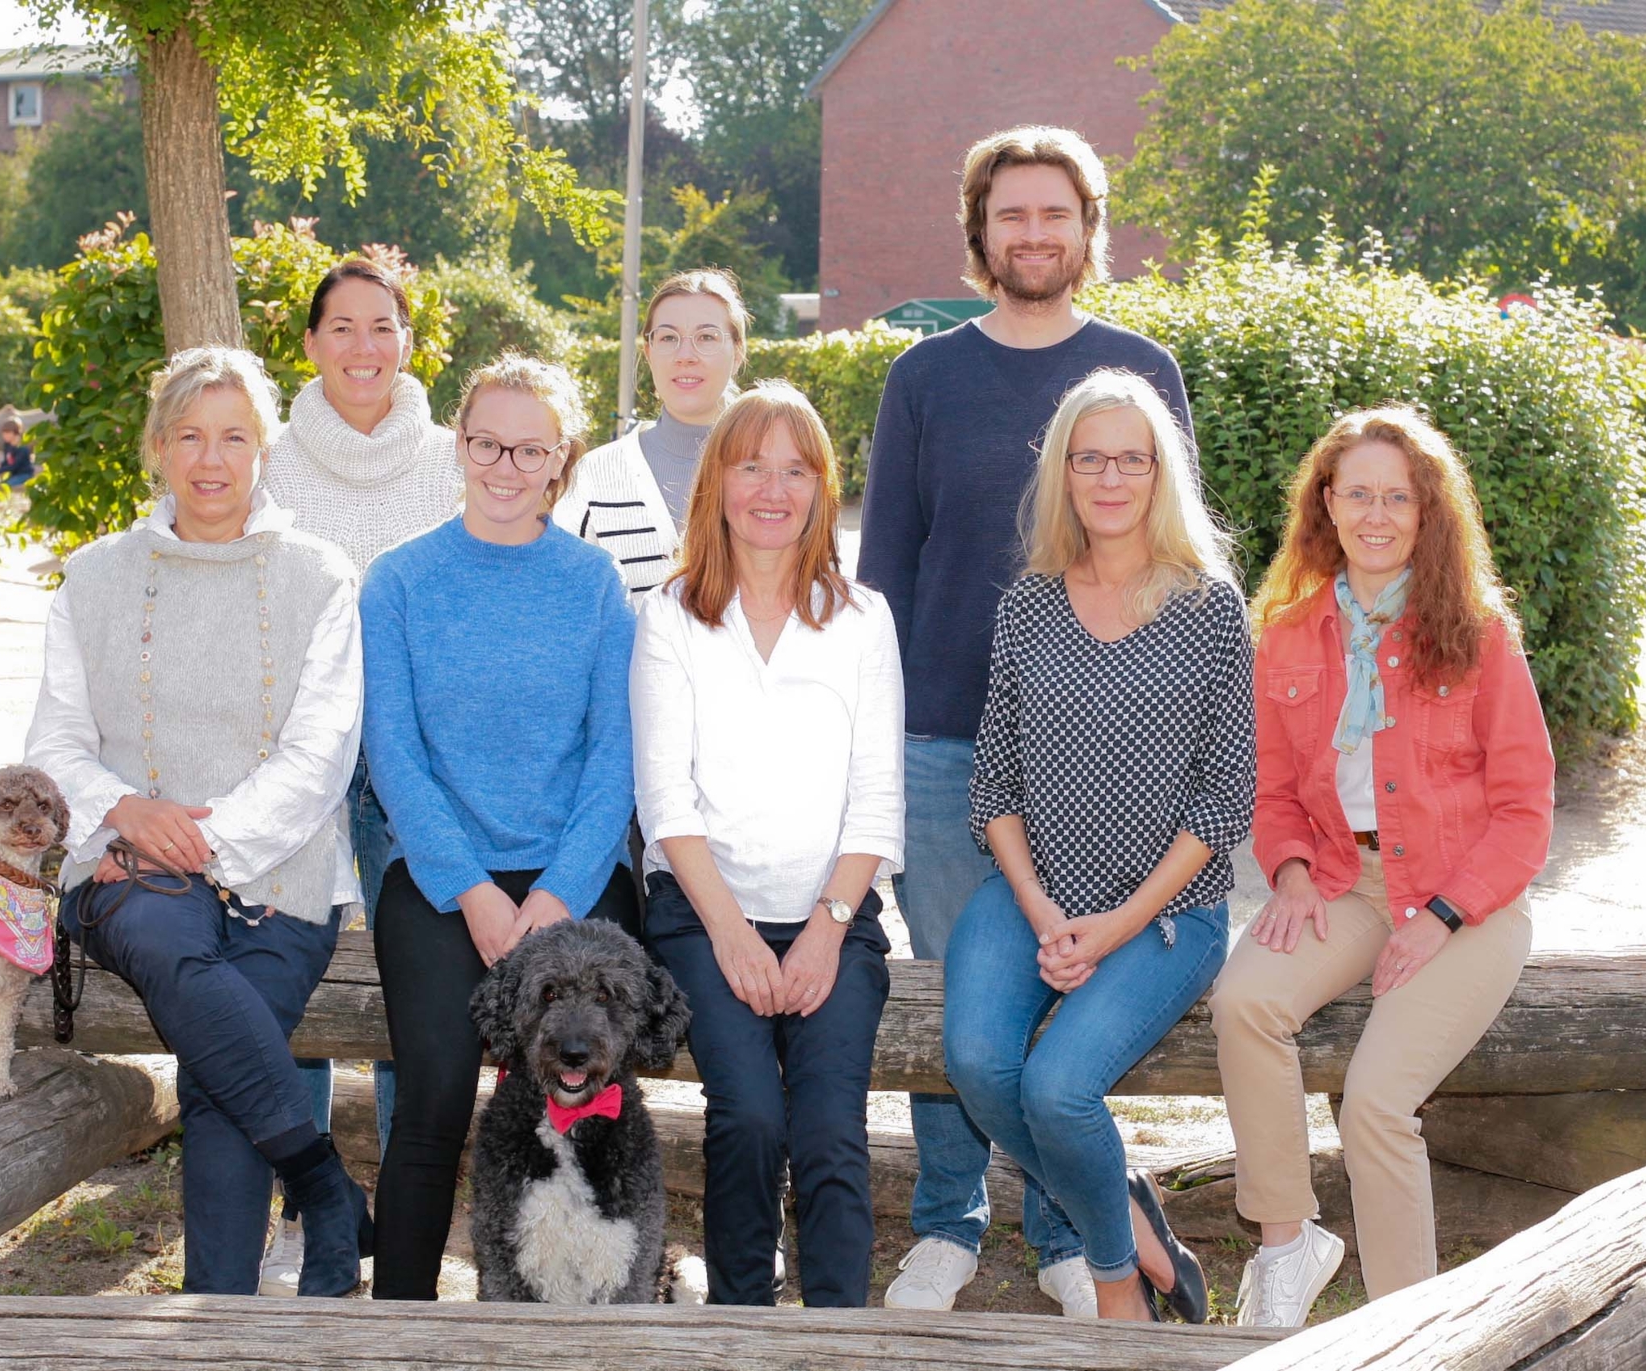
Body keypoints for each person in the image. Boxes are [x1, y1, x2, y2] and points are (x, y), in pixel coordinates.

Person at [858, 124, 1195, 1316]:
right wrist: (878, 737)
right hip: (947, 743)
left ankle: (1068, 1234)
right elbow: (885, 570)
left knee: (1063, 996)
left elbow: (1177, 559)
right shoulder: (924, 378)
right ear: (981, 232)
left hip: (1109, 758)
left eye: (1057, 213)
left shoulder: (1140, 369)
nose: (1035, 233)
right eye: (1013, 214)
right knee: (964, 1002)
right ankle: (948, 1223)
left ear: (1088, 231)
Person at [25, 346, 370, 1297]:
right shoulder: (94, 577)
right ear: (158, 447)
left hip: (281, 870)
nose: (210, 460)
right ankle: (325, 1188)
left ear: (265, 450)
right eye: (189, 436)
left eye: (233, 438)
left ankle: (219, 1316)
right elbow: (54, 741)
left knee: (223, 1069)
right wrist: (127, 810)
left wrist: (204, 841)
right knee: (177, 956)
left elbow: (320, 754)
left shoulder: (319, 576)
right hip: (126, 868)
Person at [1210, 407, 1552, 1324]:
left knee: (1374, 1100)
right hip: (1339, 878)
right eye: (1357, 493)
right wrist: (1287, 868)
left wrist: (1441, 917)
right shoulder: (1288, 633)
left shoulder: (1477, 632)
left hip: (1469, 897)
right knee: (1244, 1001)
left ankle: (1410, 1327)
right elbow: (1272, 788)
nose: (1376, 514)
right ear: (1326, 502)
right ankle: (1288, 1243)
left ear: (1426, 511)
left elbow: (1526, 810)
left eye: (1396, 497)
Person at [942, 368, 1254, 1323]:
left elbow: (1225, 801)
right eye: (1090, 459)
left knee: (1059, 1087)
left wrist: (1114, 925)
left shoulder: (1210, 608)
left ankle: (1113, 1275)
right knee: (976, 1061)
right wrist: (1043, 911)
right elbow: (994, 785)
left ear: (1161, 471)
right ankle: (1123, 1210)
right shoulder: (1030, 603)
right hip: (1032, 891)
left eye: (1131, 459)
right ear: (1063, 473)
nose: (1111, 478)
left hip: (1167, 912)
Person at [360, 354, 638, 1300]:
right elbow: (395, 756)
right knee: (435, 1101)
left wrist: (555, 897)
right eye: (488, 444)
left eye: (530, 449)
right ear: (460, 444)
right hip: (444, 879)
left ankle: (591, 1306)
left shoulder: (594, 583)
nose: (506, 467)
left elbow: (613, 758)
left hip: (577, 877)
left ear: (562, 458)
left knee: (589, 1094)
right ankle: (399, 1327)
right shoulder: (400, 581)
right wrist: (473, 892)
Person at [633, 381, 904, 1307]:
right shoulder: (671, 615)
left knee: (828, 1131)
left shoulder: (862, 618)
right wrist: (734, 935)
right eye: (752, 466)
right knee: (748, 1117)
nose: (773, 490)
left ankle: (837, 1341)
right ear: (717, 481)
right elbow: (665, 800)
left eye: (796, 470)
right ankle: (741, 1326)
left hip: (834, 915)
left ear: (824, 489)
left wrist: (827, 930)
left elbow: (876, 797)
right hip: (703, 916)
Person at [258, 257, 461, 1294]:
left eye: (383, 326)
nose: (363, 346)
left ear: (409, 342)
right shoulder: (267, 461)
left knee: (411, 978)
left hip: (411, 765)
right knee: (292, 976)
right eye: (341, 326)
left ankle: (407, 1209)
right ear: (310, 343)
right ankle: (312, 1205)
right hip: (293, 759)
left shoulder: (454, 460)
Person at [553, 269, 751, 602]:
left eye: (706, 337)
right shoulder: (596, 475)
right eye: (668, 338)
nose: (685, 355)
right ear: (648, 352)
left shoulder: (776, 471)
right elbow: (565, 600)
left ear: (738, 351)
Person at [0, 416, 37, 486]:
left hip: (24, 474)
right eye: (4, 433)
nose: (4, 435)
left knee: (8, 485)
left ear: (15, 432)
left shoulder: (22, 447)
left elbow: (15, 465)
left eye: (7, 432)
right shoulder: (7, 446)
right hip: (13, 474)